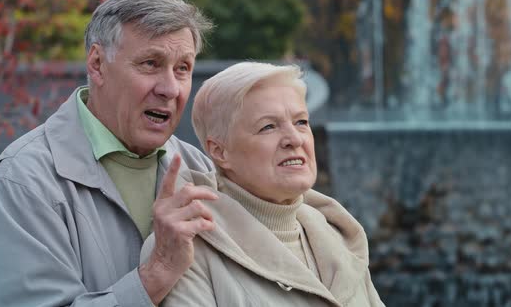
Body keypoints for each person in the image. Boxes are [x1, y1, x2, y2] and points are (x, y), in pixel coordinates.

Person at [0, 0, 219, 306]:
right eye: (151, 64)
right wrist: (157, 272)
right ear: (97, 64)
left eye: (182, 68)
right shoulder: (23, 181)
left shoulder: (200, 167)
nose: (170, 88)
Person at [141, 62, 386, 306]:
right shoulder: (181, 247)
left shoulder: (340, 235)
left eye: (301, 122)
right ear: (220, 151)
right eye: (268, 126)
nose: (294, 139)